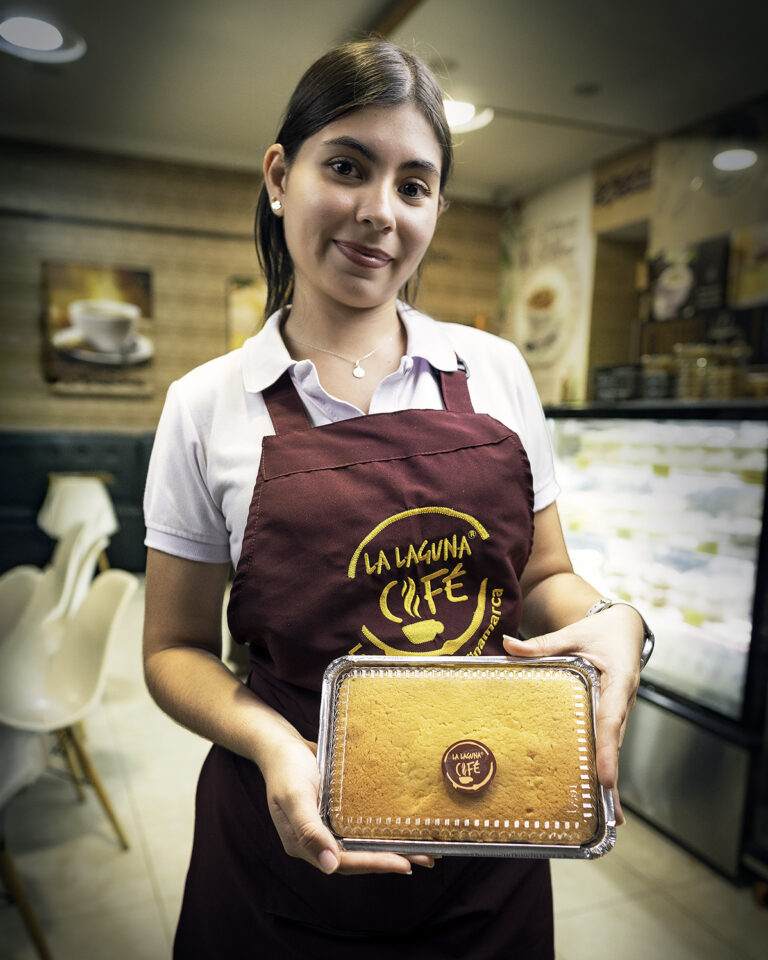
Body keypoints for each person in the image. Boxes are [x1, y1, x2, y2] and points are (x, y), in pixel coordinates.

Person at [143, 37, 650, 960]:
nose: (379, 212)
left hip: (484, 836)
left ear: (437, 210)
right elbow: (173, 649)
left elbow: (544, 576)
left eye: (413, 186)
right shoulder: (205, 406)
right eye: (346, 167)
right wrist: (270, 744)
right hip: (284, 847)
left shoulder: (494, 371)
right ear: (278, 174)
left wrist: (615, 619)